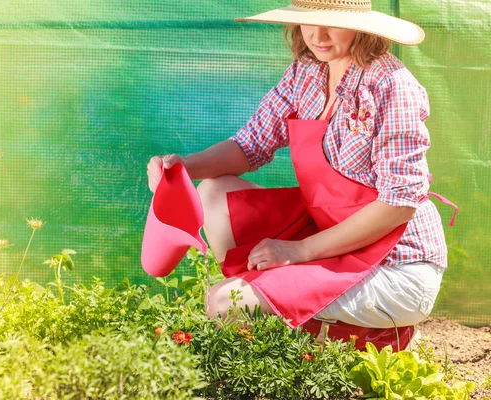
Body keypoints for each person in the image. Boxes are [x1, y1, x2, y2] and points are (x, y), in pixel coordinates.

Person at [146, 0, 457, 349]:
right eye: (307, 21)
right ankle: (278, 310)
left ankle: (368, 338)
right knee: (214, 191)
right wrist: (185, 167)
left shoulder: (391, 85)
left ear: (361, 25)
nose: (317, 36)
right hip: (331, 237)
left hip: (395, 264)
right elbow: (251, 145)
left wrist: (299, 251)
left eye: (331, 24)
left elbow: (399, 204)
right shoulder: (306, 72)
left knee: (224, 303)